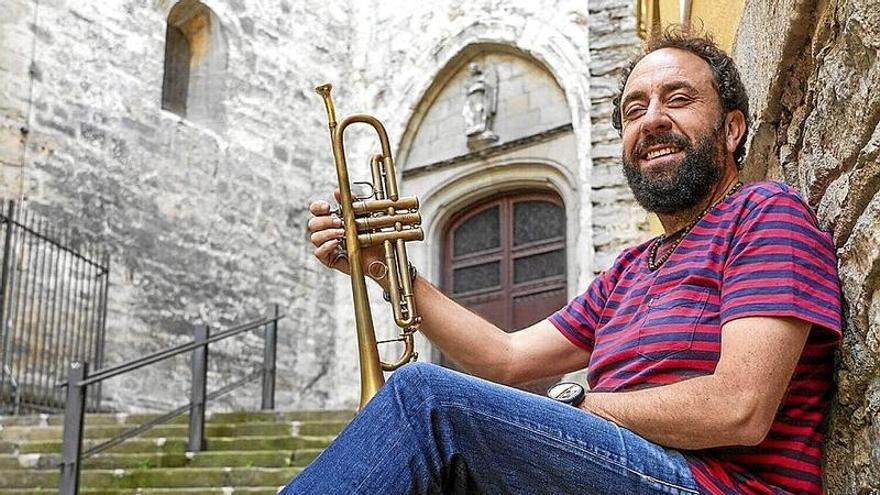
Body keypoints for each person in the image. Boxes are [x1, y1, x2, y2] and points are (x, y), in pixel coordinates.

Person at [284, 27, 842, 495]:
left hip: (715, 484)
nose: (650, 120)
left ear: (732, 128)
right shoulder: (628, 270)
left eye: (678, 99)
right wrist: (388, 271)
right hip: (624, 468)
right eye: (633, 110)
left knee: (424, 398)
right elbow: (505, 356)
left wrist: (584, 406)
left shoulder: (764, 212)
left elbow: (739, 407)